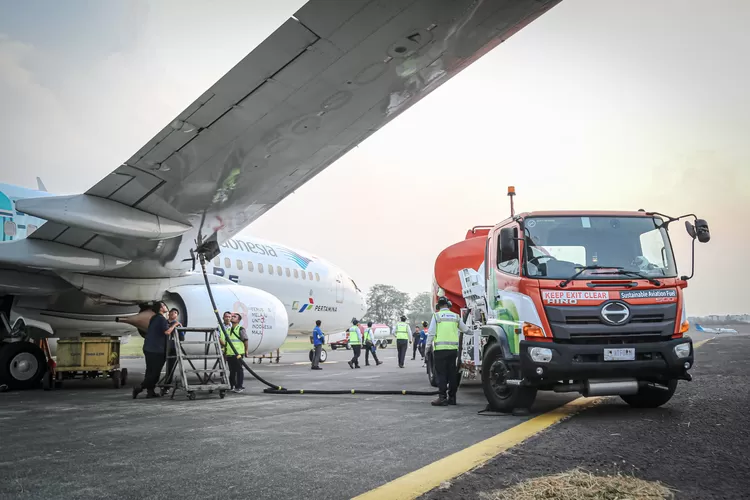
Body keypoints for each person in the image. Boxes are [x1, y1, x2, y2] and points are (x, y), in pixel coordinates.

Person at [425, 297, 469, 406]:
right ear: (448, 305)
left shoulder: (436, 316)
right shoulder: (455, 316)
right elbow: (466, 330)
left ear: (438, 306)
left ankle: (442, 398)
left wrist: (427, 348)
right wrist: (478, 332)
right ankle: (452, 398)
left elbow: (431, 333)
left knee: (441, 374)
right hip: (453, 351)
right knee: (452, 374)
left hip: (440, 351)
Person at [133, 301, 181, 399]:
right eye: (163, 305)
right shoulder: (161, 319)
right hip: (157, 349)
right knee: (155, 373)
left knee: (149, 371)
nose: (165, 306)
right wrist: (174, 325)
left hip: (148, 348)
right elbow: (167, 332)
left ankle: (150, 392)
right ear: (160, 308)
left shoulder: (153, 318)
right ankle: (140, 387)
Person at [220, 312, 249, 393]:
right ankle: (231, 385)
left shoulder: (240, 329)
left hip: (238, 354)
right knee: (232, 370)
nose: (232, 317)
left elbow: (245, 340)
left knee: (239, 370)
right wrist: (225, 352)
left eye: (234, 317)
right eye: (232, 316)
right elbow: (227, 343)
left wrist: (246, 351)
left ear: (238, 320)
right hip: (230, 354)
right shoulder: (228, 330)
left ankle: (239, 386)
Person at [164, 308, 182, 386]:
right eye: (171, 312)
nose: (172, 313)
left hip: (173, 348)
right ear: (168, 314)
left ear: (177, 315)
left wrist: (180, 329)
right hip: (163, 347)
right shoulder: (164, 323)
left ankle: (167, 386)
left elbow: (182, 338)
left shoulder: (178, 324)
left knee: (170, 369)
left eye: (175, 312)